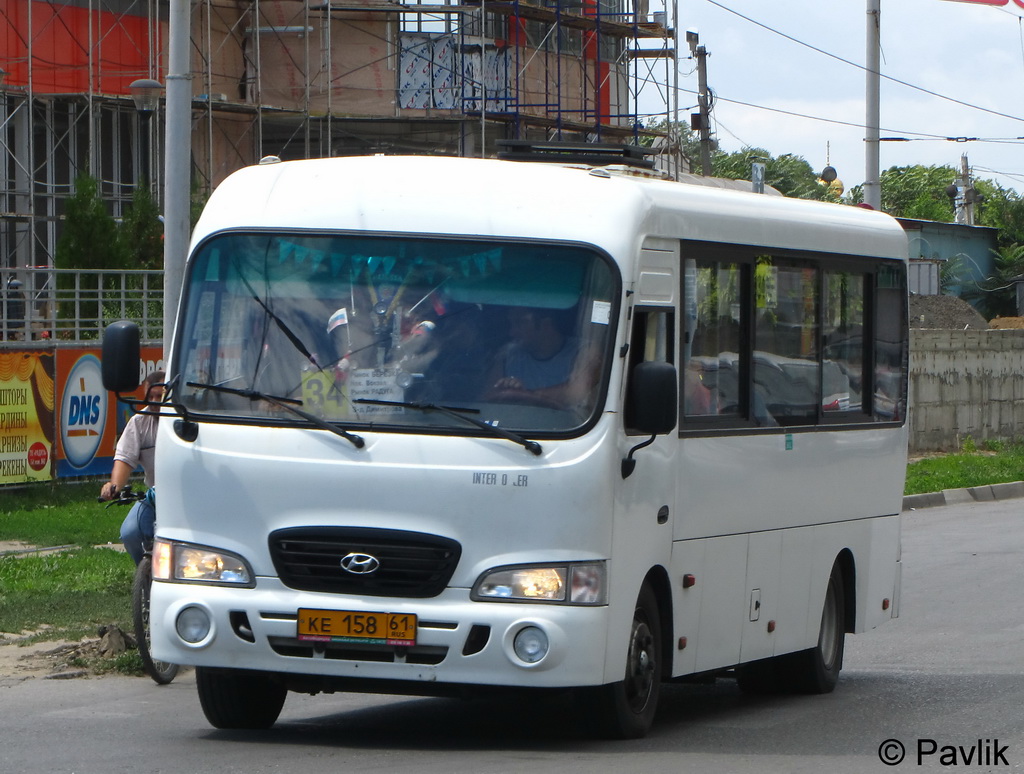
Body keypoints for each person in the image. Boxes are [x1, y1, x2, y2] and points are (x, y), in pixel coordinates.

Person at [99, 370, 164, 565]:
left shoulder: (189, 420)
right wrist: (114, 486)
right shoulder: (139, 422)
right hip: (155, 497)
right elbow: (125, 459)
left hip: (189, 499)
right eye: (149, 397)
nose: (153, 402)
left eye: (159, 396)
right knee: (130, 533)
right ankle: (145, 576)